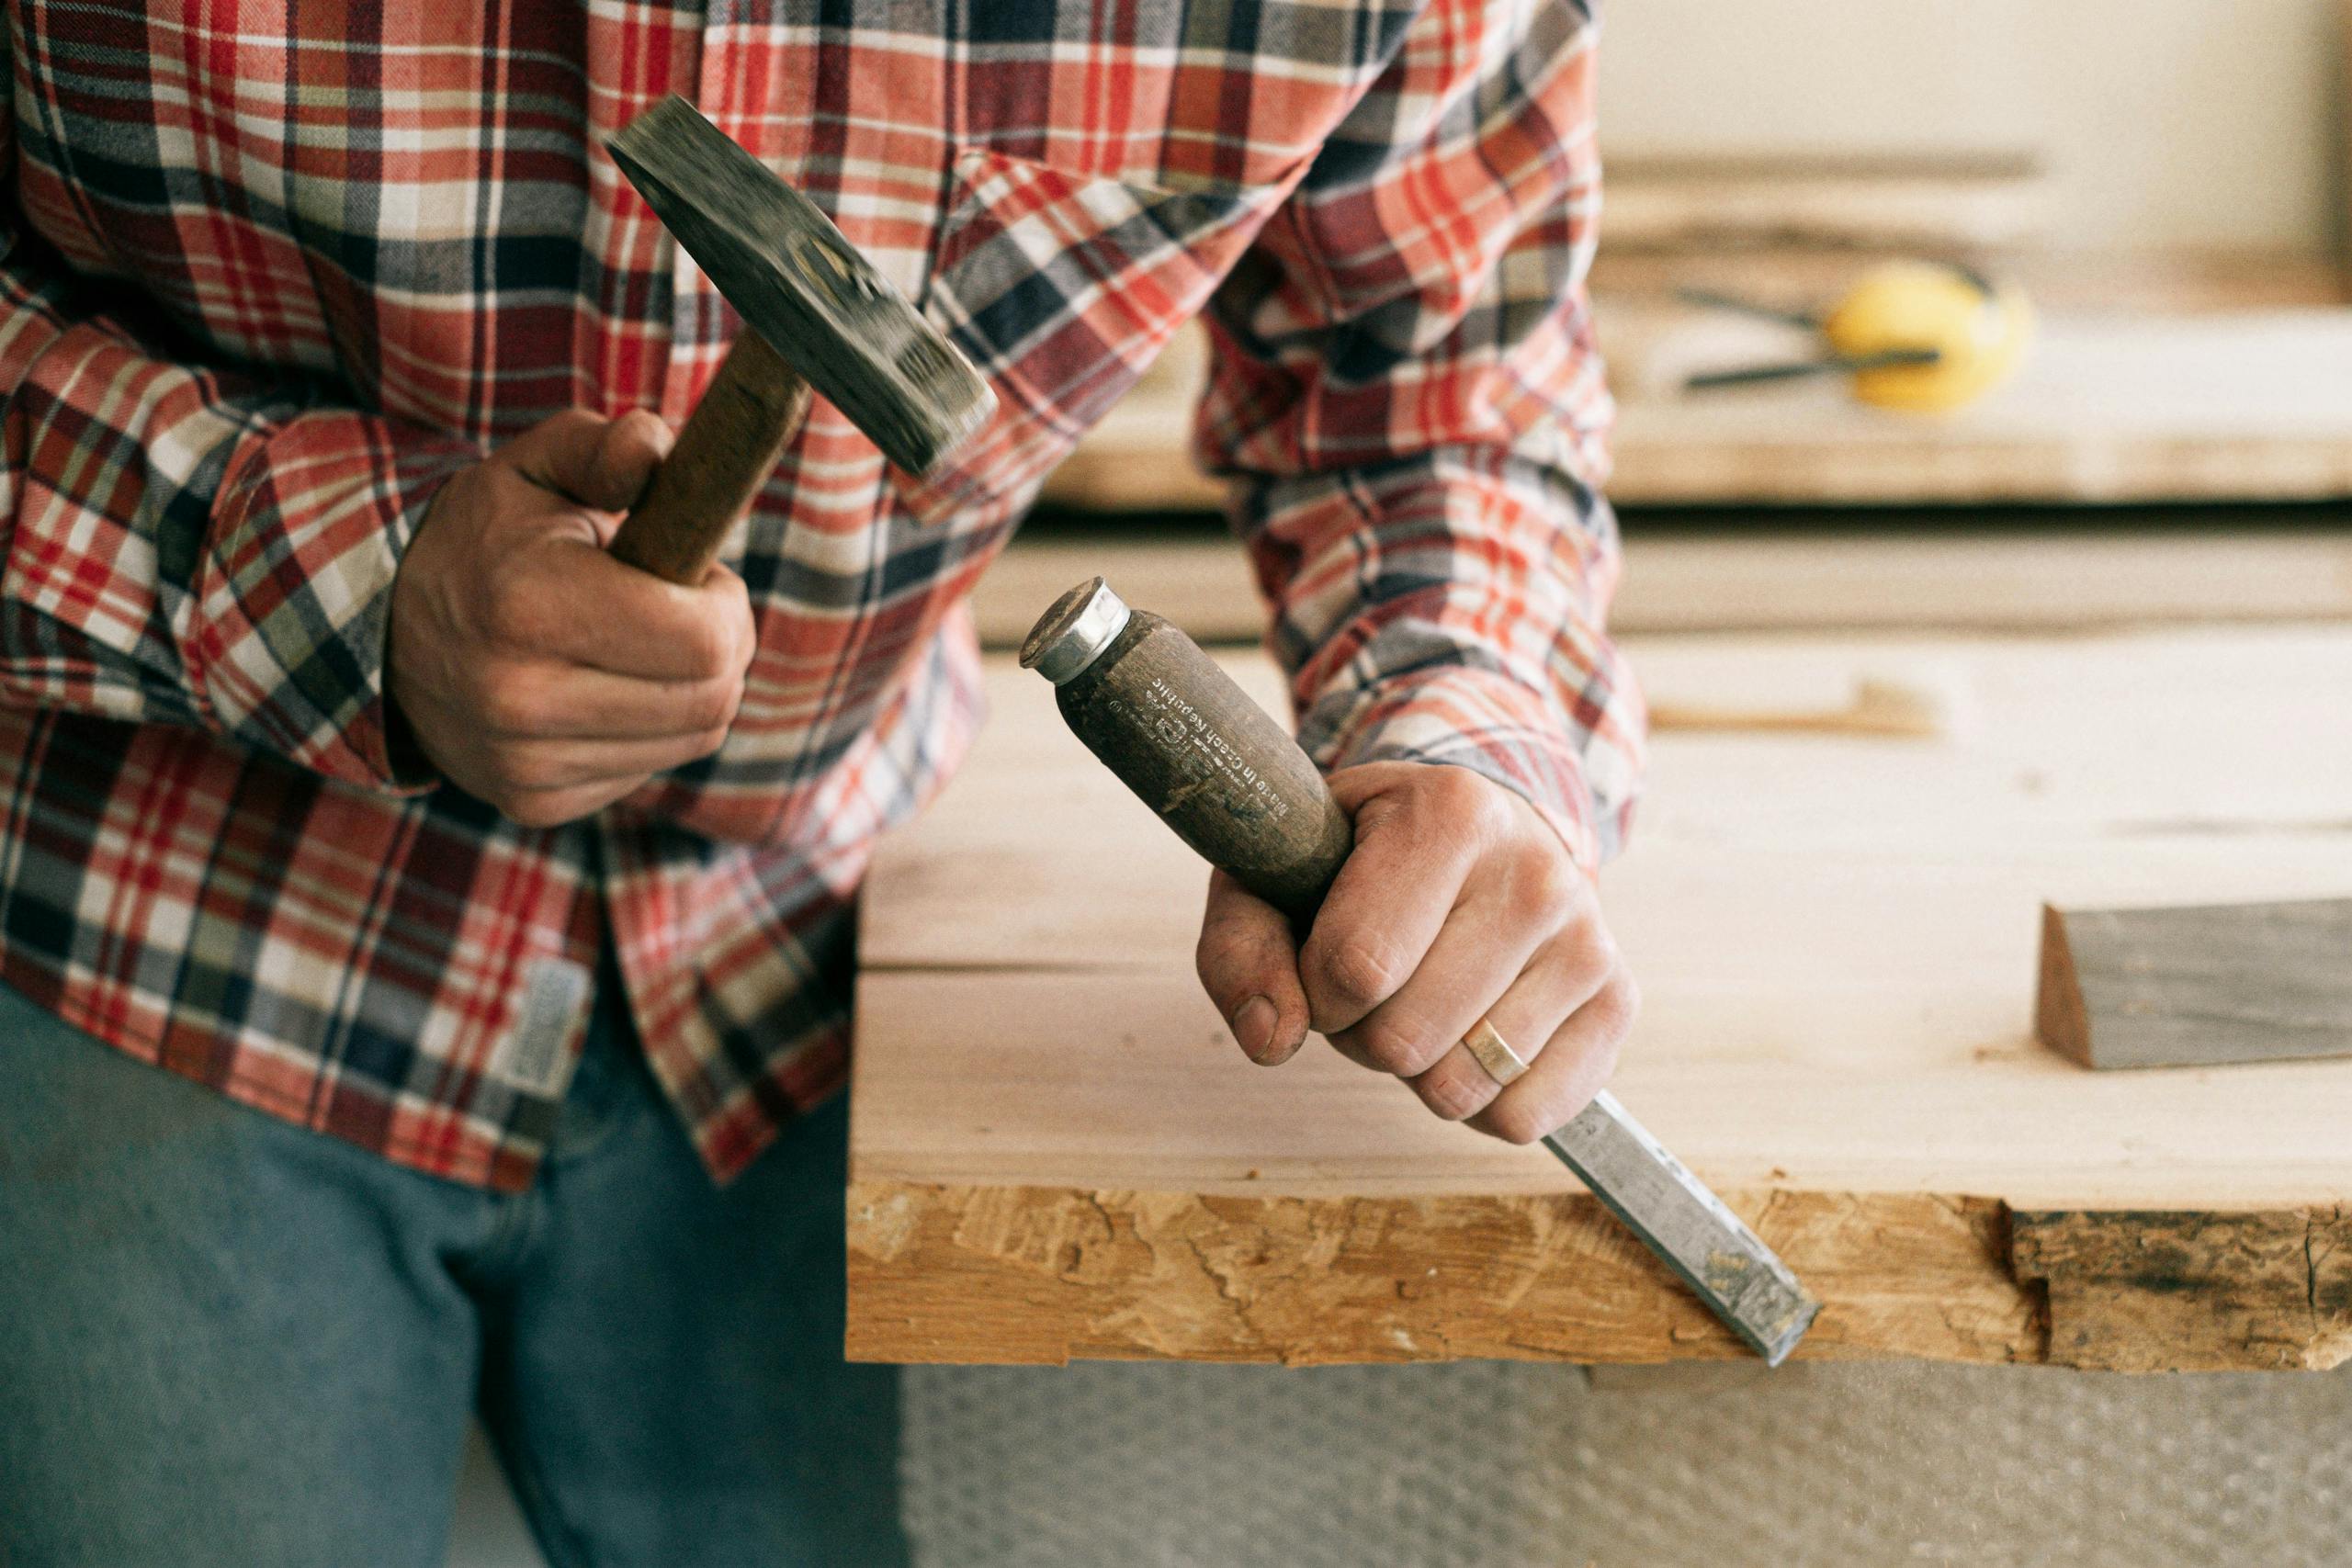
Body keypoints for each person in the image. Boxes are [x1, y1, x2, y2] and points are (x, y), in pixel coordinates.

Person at [0, 2, 1644, 1562]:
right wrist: (327, 580)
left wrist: (1471, 731)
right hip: (146, 916)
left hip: (812, 972)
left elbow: (1440, 391)